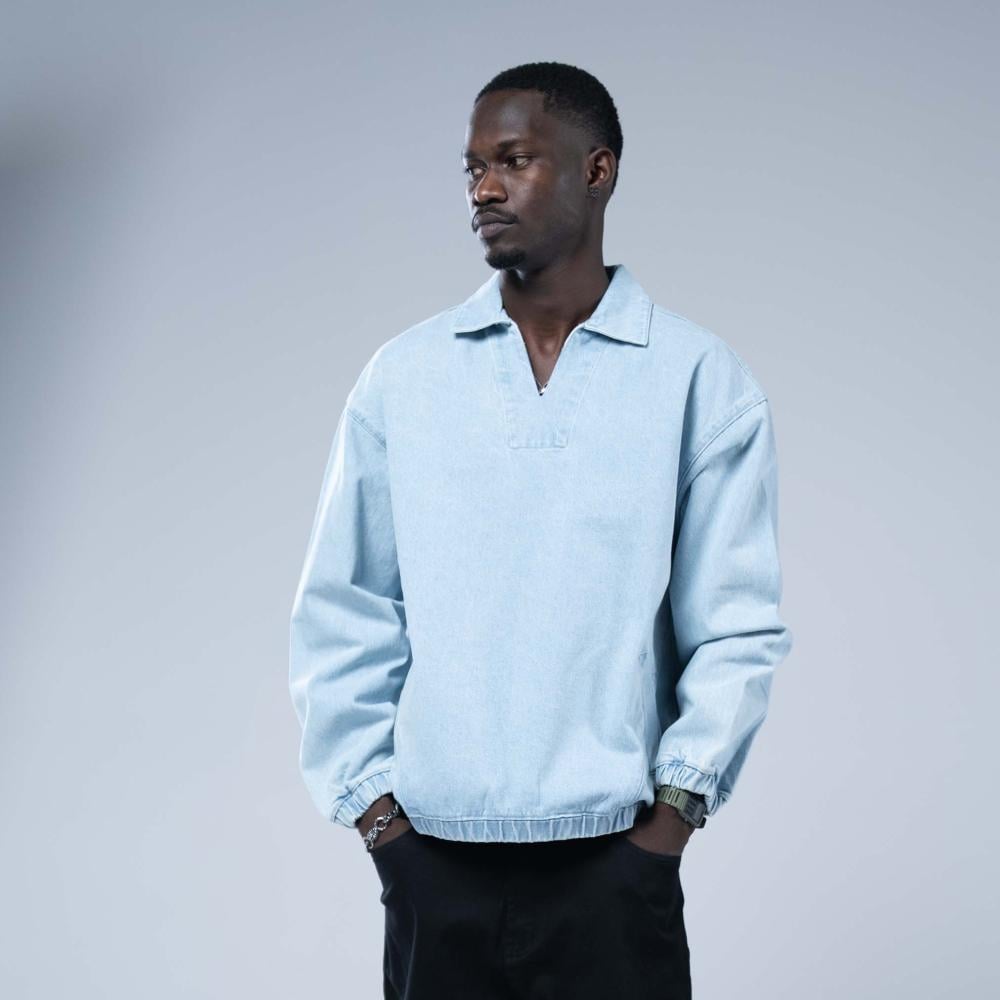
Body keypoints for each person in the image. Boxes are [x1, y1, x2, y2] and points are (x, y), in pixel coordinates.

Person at [289, 60, 793, 999]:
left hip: (615, 869)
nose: (483, 188)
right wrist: (381, 825)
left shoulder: (697, 378)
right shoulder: (404, 378)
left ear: (598, 171)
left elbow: (737, 626)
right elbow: (341, 607)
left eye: (514, 160)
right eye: (472, 167)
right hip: (435, 870)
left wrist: (670, 822)